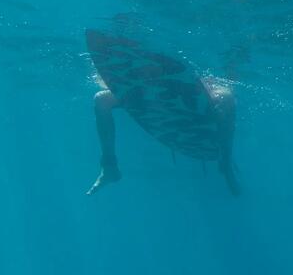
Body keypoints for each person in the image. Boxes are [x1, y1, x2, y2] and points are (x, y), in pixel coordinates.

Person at [85, 29, 241, 196]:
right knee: (101, 99)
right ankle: (109, 165)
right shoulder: (143, 55)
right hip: (154, 90)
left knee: (226, 97)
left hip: (186, 99)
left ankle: (225, 161)